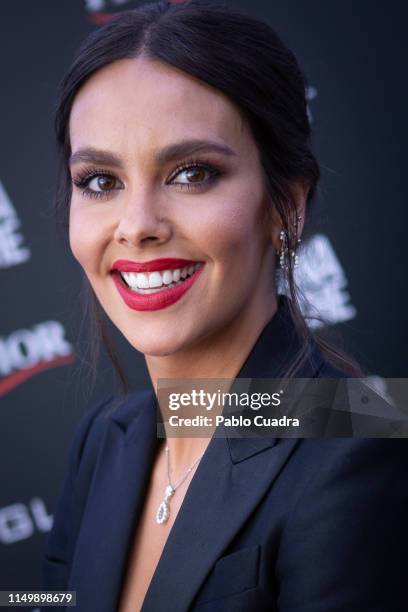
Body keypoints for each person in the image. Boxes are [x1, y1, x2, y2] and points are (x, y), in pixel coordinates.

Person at [42, 1, 408, 610]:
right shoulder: (107, 437)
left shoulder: (367, 437)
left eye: (191, 173)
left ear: (287, 205)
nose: (136, 226)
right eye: (101, 181)